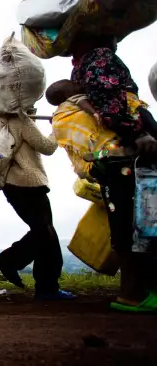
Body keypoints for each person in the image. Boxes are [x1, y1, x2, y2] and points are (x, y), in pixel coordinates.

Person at [51, 84, 157, 312]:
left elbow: (82, 164)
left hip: (112, 171)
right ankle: (141, 292)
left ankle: (132, 294)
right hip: (132, 168)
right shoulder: (101, 103)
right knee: (143, 230)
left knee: (125, 233)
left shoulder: (62, 118)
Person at [0, 108, 76, 300]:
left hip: (13, 185)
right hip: (27, 183)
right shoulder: (20, 120)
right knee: (45, 233)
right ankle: (11, 261)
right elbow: (47, 147)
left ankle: (46, 287)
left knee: (46, 234)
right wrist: (57, 127)